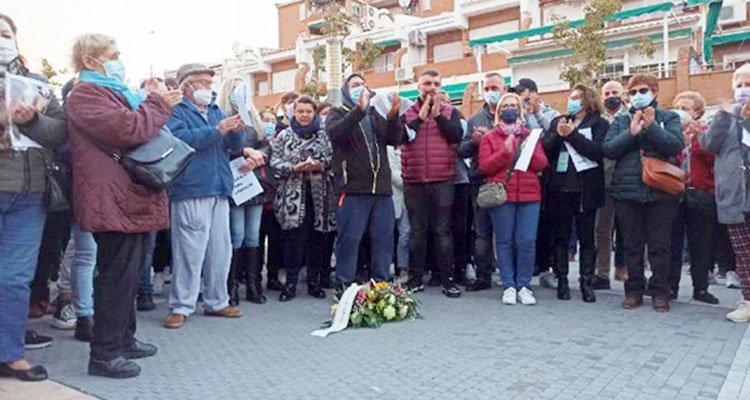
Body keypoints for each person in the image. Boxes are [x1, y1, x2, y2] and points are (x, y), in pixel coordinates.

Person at [65, 33, 179, 378]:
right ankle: (105, 354)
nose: (118, 60)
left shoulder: (111, 92)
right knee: (116, 276)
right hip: (111, 198)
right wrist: (158, 103)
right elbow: (130, 129)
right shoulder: (85, 94)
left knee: (128, 273)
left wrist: (152, 103)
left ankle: (124, 339)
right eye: (111, 54)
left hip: (127, 195)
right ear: (89, 61)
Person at [0, 13, 67, 382]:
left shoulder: (35, 82)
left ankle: (10, 354)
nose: (2, 39)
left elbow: (60, 131)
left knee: (14, 278)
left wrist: (29, 120)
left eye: (6, 33)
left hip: (29, 195)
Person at [163, 63, 246, 330]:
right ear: (186, 86)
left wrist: (236, 131)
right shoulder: (174, 111)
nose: (208, 88)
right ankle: (181, 305)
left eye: (210, 82)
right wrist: (217, 130)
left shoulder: (214, 110)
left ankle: (216, 300)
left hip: (219, 187)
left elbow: (233, 147)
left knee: (220, 249)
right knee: (189, 250)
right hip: (191, 188)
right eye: (202, 82)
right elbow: (180, 140)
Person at [603, 73, 684, 313]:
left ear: (655, 92)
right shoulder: (620, 121)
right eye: (634, 92)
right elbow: (609, 149)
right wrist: (632, 132)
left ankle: (660, 292)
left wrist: (651, 128)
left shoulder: (669, 117)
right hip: (627, 192)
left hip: (661, 192)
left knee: (660, 246)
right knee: (631, 245)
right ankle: (634, 291)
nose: (638, 96)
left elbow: (675, 145)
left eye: (643, 91)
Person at [325, 74, 403, 289]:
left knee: (384, 239)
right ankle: (344, 287)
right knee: (349, 240)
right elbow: (336, 134)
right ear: (345, 90)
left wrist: (394, 116)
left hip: (381, 190)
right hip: (353, 189)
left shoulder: (376, 113)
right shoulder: (337, 112)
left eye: (362, 85)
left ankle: (381, 286)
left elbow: (394, 139)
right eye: (354, 85)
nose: (360, 88)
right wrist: (358, 111)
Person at [479, 93, 548, 306]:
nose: (510, 110)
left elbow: (541, 164)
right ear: (499, 112)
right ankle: (508, 284)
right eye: (506, 106)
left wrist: (525, 146)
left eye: (514, 106)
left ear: (520, 112)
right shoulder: (490, 137)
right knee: (504, 241)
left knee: (527, 241)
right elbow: (485, 167)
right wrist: (505, 152)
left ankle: (524, 285)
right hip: (503, 195)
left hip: (529, 196)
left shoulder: (530, 136)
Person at [541, 84, 608, 303]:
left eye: (578, 97)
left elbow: (598, 152)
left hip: (585, 189)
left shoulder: (599, 124)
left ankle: (586, 283)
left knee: (586, 239)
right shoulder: (560, 120)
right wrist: (559, 134)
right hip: (559, 188)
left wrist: (573, 136)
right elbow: (545, 149)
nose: (573, 100)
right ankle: (562, 280)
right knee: (560, 237)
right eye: (571, 97)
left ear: (588, 100)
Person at [401, 70, 464, 298]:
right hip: (414, 180)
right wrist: (422, 116)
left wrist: (437, 116)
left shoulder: (450, 111)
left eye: (436, 83)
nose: (431, 87)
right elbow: (401, 136)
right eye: (427, 83)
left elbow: (456, 136)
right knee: (417, 232)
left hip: (443, 180)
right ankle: (415, 279)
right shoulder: (407, 113)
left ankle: (448, 280)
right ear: (419, 86)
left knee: (442, 231)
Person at [271, 96, 336, 301]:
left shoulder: (324, 135)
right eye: (300, 111)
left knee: (317, 240)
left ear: (314, 113)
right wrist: (293, 168)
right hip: (292, 195)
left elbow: (333, 158)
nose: (305, 115)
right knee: (293, 241)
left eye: (309, 111)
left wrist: (320, 164)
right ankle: (290, 284)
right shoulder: (284, 136)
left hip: (320, 195)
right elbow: (274, 162)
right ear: (294, 112)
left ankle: (314, 283)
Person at [701, 64, 750, 321]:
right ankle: (748, 301)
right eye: (739, 84)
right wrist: (725, 115)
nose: (743, 90)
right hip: (734, 197)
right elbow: (709, 144)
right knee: (743, 254)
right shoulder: (726, 117)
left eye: (748, 84)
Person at [217, 76, 269, 305]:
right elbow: (221, 149)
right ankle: (232, 286)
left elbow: (265, 143)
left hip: (253, 182)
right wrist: (244, 152)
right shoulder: (222, 116)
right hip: (236, 184)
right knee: (236, 234)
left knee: (253, 235)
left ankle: (253, 284)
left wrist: (259, 157)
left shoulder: (253, 119)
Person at [669, 92, 719, 304]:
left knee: (701, 243)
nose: (681, 111)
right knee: (673, 243)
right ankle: (670, 286)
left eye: (686, 108)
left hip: (701, 193)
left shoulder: (706, 131)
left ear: (697, 112)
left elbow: (713, 155)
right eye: (678, 107)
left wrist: (696, 138)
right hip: (675, 192)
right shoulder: (670, 133)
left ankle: (701, 288)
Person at [462, 72, 505, 291]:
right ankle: (483, 276)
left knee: (507, 232)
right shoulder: (474, 120)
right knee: (482, 231)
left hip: (507, 179)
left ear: (504, 90)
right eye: (487, 88)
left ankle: (510, 276)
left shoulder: (513, 115)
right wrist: (475, 141)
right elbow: (462, 149)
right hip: (481, 180)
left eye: (494, 88)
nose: (491, 93)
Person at [591, 80, 629, 290]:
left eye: (615, 92)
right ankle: (602, 272)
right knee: (602, 230)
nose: (611, 96)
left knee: (628, 230)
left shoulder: (631, 117)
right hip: (604, 182)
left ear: (622, 95)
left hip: (627, 181)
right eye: (607, 93)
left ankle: (625, 269)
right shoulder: (597, 120)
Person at [258, 110, 284, 291]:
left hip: (278, 199)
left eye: (272, 120)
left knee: (276, 241)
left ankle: (273, 276)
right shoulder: (257, 143)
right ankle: (255, 278)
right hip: (258, 199)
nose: (269, 123)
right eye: (265, 120)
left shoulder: (281, 141)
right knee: (257, 241)